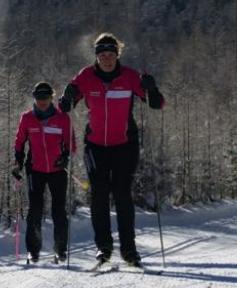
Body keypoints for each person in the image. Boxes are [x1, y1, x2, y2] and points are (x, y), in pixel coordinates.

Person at [59, 33, 164, 266]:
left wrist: (152, 88)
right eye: (102, 55)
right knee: (98, 195)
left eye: (111, 54)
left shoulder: (129, 77)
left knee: (122, 194)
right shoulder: (86, 76)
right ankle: (103, 249)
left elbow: (157, 104)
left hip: (125, 145)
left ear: (118, 55)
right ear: (96, 56)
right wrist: (66, 97)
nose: (106, 59)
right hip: (95, 146)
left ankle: (129, 251)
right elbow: (65, 106)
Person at [12, 82, 75, 264]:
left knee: (59, 211)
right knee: (35, 210)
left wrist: (65, 157)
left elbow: (70, 144)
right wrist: (18, 164)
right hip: (35, 170)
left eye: (45, 98)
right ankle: (33, 251)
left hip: (57, 170)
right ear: (34, 98)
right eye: (38, 98)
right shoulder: (27, 118)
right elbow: (19, 142)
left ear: (51, 98)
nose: (42, 101)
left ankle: (60, 250)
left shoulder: (62, 118)